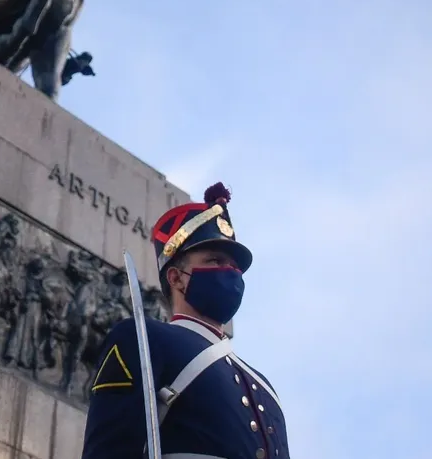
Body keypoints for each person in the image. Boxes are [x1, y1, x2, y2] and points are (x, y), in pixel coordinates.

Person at [81, 183, 290, 459]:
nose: (229, 272)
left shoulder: (264, 388)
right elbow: (108, 450)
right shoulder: (142, 339)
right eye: (215, 260)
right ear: (176, 277)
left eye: (234, 266)